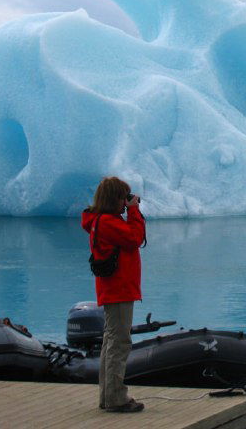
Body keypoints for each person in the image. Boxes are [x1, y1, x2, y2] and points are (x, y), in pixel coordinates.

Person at [81, 176, 146, 413]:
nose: (125, 202)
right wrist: (134, 211)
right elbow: (134, 238)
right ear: (114, 199)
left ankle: (108, 396)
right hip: (119, 290)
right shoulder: (109, 222)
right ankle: (116, 398)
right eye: (123, 197)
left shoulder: (100, 220)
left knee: (111, 342)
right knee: (119, 343)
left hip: (114, 289)